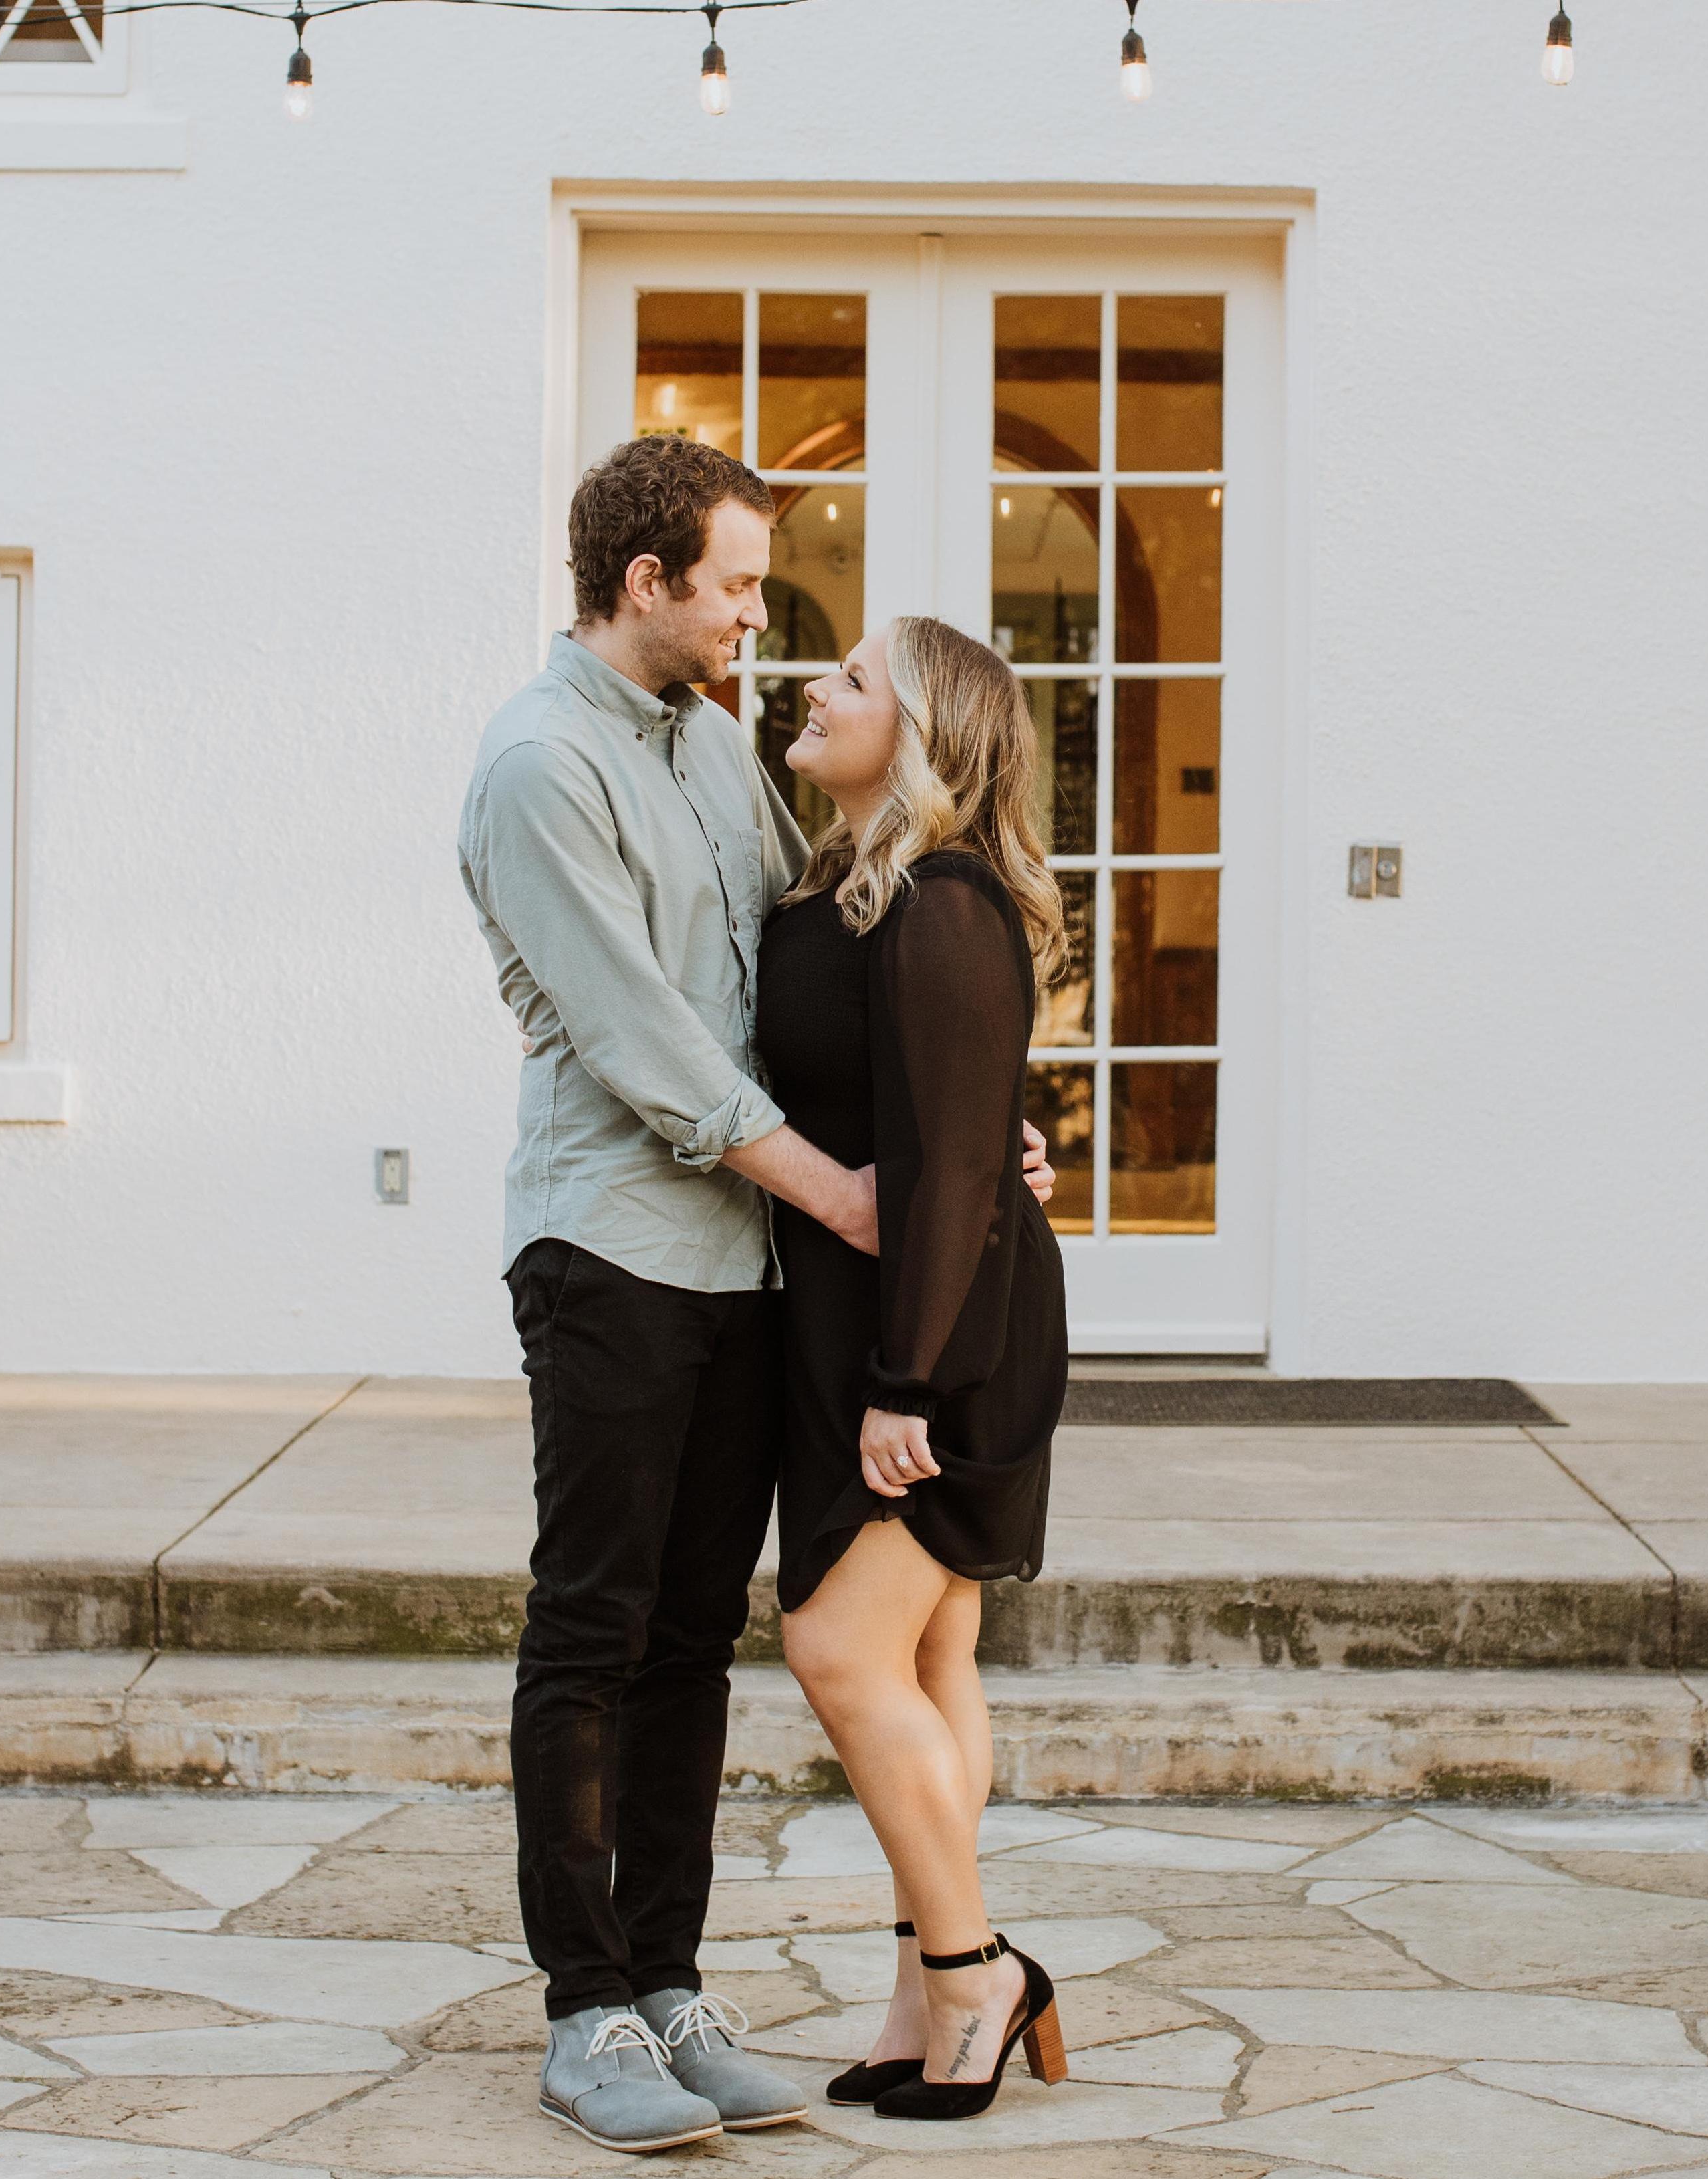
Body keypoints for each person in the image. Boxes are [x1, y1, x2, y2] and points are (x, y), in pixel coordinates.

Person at [457, 441, 1051, 2153]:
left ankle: (668, 1985)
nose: (752, 618)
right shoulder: (540, 764)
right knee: (591, 1628)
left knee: (692, 1639)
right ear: (644, 582)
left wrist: (972, 1120)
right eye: (730, 584)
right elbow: (649, 1043)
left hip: (749, 1264)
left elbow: (841, 950)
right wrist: (860, 1192)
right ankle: (586, 2010)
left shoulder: (717, 745)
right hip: (615, 1252)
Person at [757, 616, 1072, 2122]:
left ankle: (974, 1972)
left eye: (854, 679)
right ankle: (917, 1994)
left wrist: (909, 1383)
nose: (815, 687)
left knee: (836, 1648)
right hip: (876, 1320)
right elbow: (948, 1111)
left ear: (926, 737)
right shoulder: (853, 884)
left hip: (938, 1339)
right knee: (932, 1659)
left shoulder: (943, 897)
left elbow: (952, 1165)